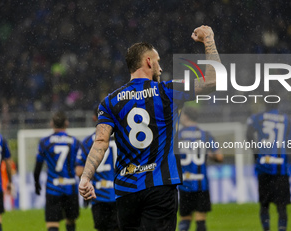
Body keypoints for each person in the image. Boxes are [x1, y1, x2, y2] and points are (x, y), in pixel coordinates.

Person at [79, 25, 221, 231]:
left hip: (126, 190)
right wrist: (209, 38)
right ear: (148, 61)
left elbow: (100, 142)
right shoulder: (168, 91)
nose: (160, 68)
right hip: (159, 186)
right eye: (158, 62)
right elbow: (213, 80)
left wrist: (85, 177)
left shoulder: (110, 102)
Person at [246, 101, 291, 231]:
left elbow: (248, 134)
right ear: (278, 104)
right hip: (280, 169)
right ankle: (282, 228)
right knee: (281, 206)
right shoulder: (287, 120)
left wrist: (256, 153)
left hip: (263, 167)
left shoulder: (257, 118)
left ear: (265, 103)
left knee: (264, 205)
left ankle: (266, 228)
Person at [34, 111, 82, 231]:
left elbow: (38, 165)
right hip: (70, 187)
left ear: (51, 124)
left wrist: (36, 183)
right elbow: (81, 167)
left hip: (53, 188)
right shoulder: (75, 142)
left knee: (52, 223)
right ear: (67, 123)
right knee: (70, 221)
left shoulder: (45, 142)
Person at [177, 106, 223, 231]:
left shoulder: (178, 135)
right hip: (201, 183)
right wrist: (208, 155)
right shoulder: (205, 135)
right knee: (200, 218)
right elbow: (219, 157)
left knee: (184, 219)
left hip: (184, 183)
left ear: (186, 116)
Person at [75, 107, 118, 231]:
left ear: (95, 118)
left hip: (98, 196)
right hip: (120, 193)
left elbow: (79, 171)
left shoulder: (88, 141)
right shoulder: (122, 138)